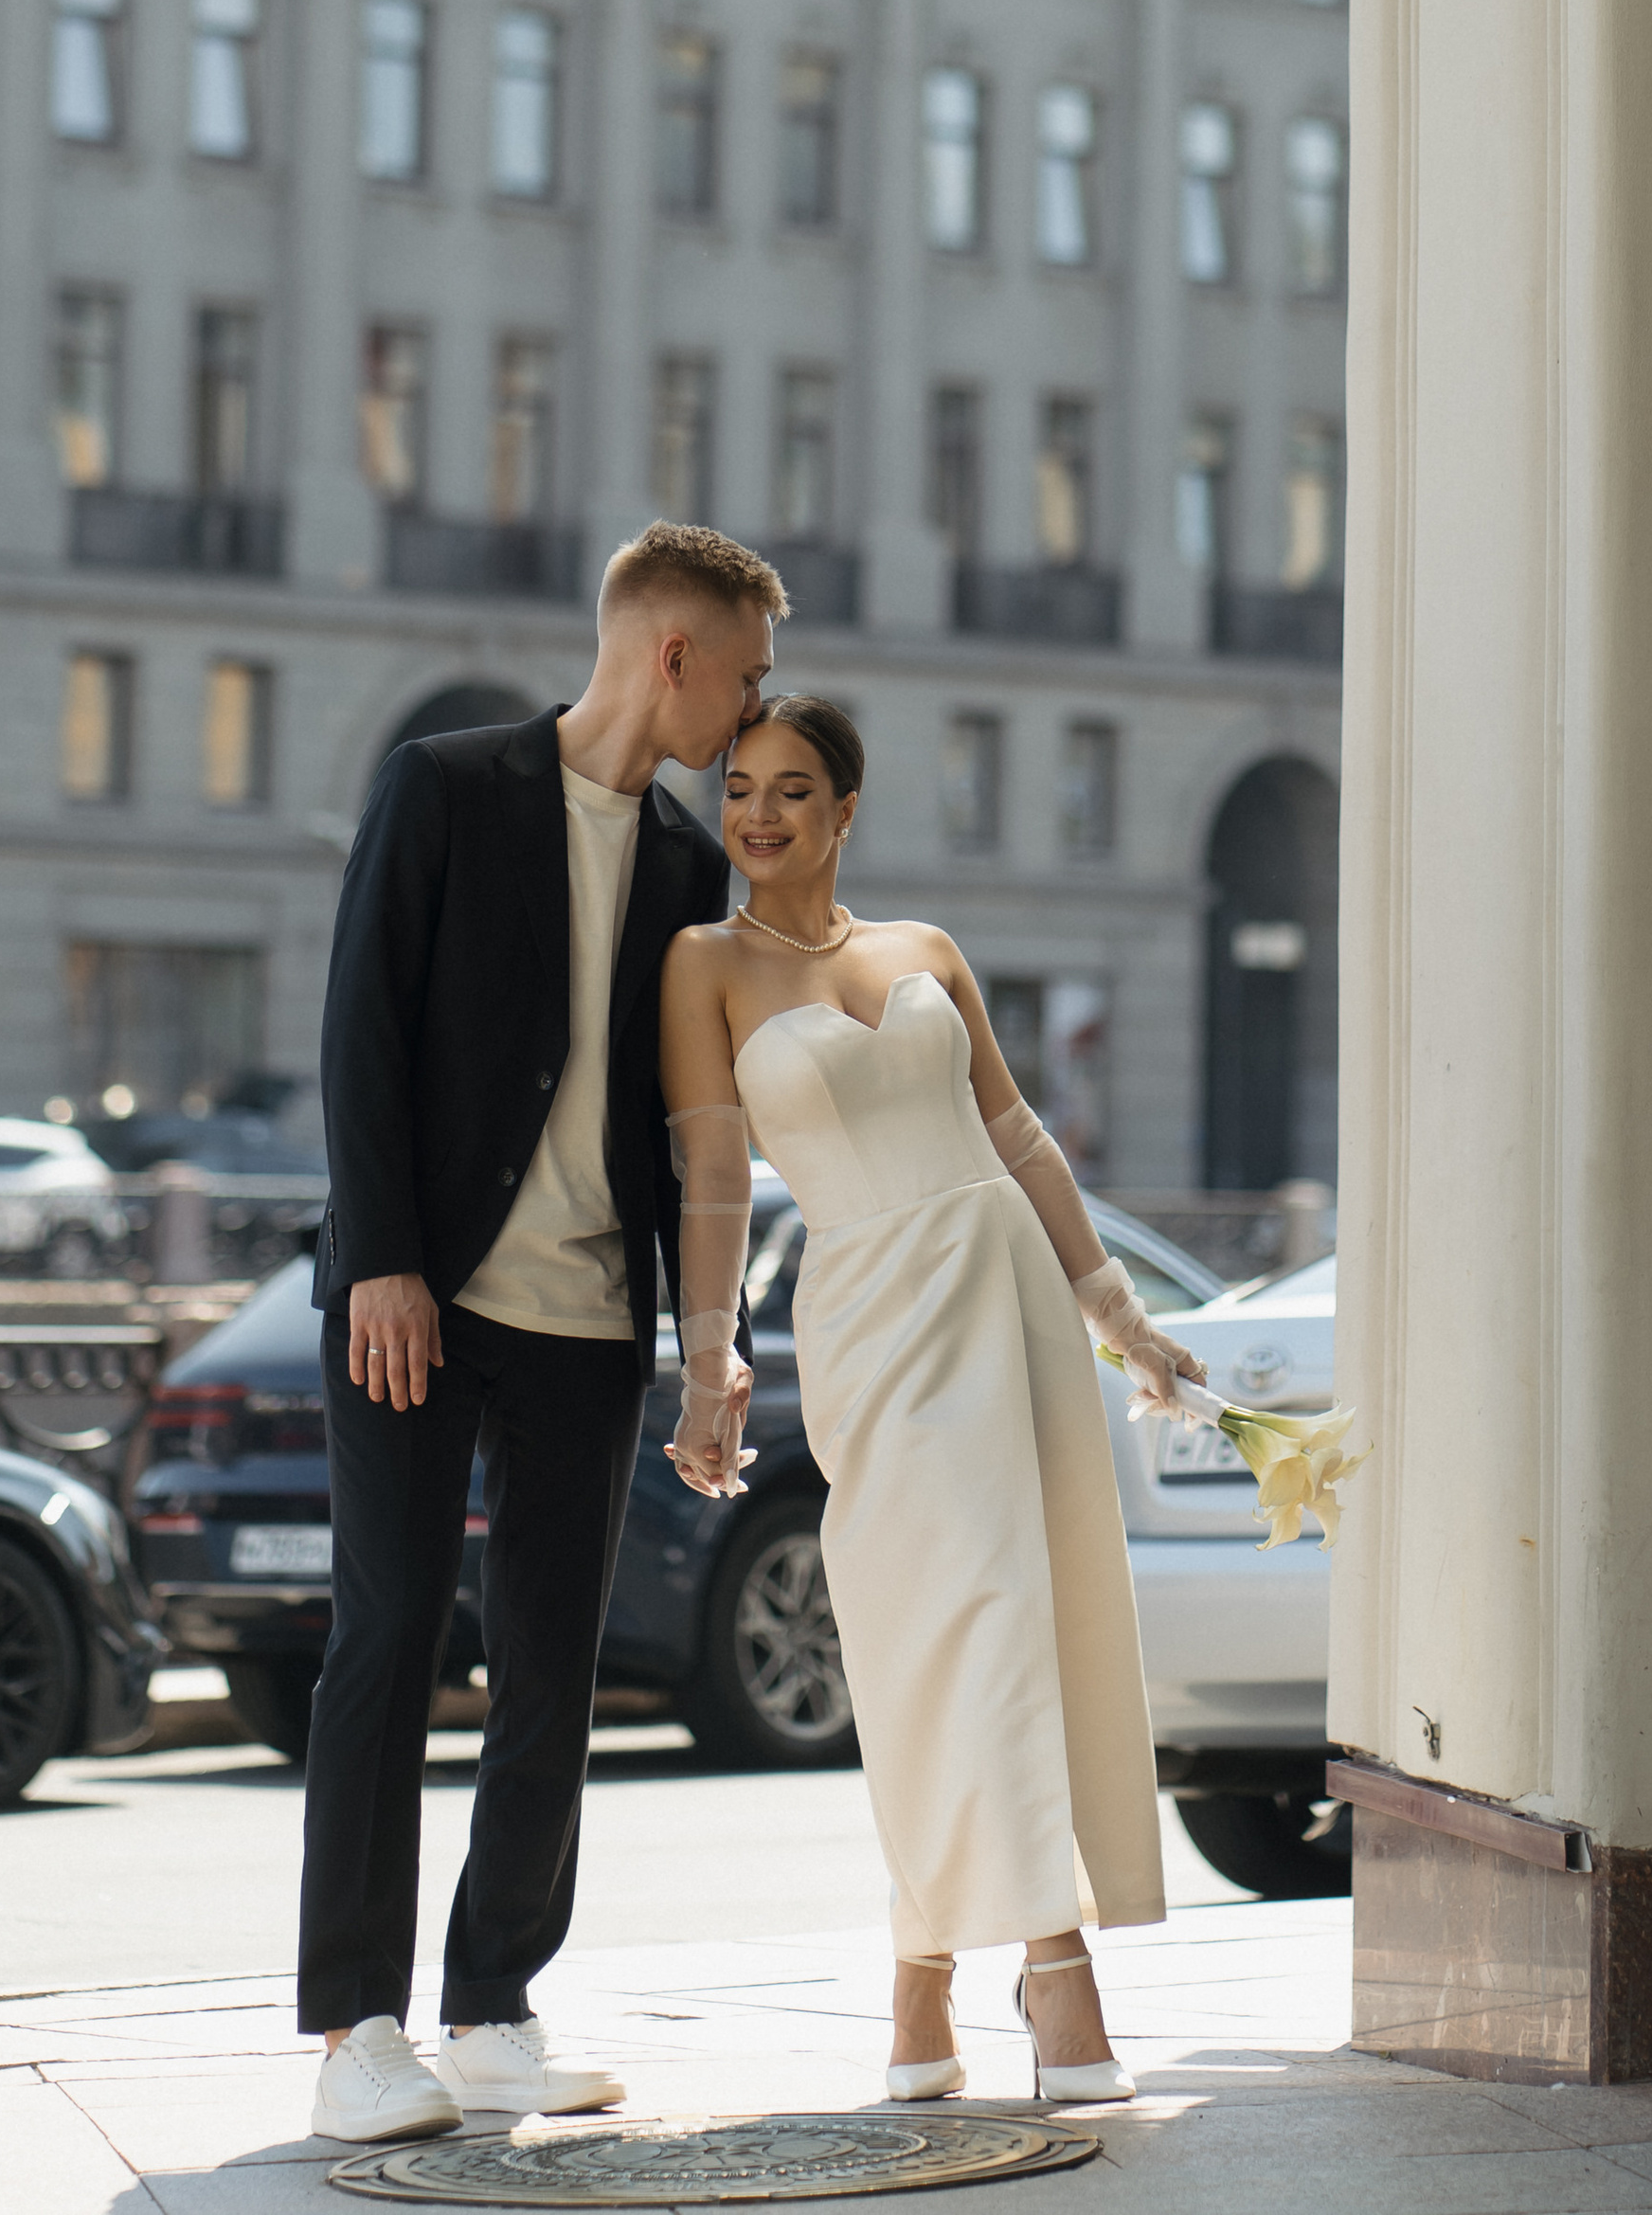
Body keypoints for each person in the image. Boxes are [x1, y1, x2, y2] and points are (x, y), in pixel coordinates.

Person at [300, 524, 784, 2147]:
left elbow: (682, 1120)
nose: (753, 705)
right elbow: (360, 1024)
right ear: (673, 655)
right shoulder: (444, 786)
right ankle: (358, 2031)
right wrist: (380, 1259)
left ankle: (494, 2004)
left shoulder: (681, 863)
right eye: (746, 670)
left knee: (554, 1672)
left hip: (587, 1314)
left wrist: (702, 1341)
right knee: (387, 1642)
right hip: (418, 1304)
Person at [659, 694, 1202, 2105]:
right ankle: (1022, 1968)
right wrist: (709, 1359)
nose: (759, 815)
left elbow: (1016, 1133)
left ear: (846, 812)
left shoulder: (927, 952)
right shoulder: (702, 965)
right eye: (737, 790)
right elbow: (712, 1175)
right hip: (871, 1318)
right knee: (930, 1635)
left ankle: (952, 1980)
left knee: (1025, 1614)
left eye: (791, 789)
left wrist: (1121, 1315)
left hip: (1005, 1292)